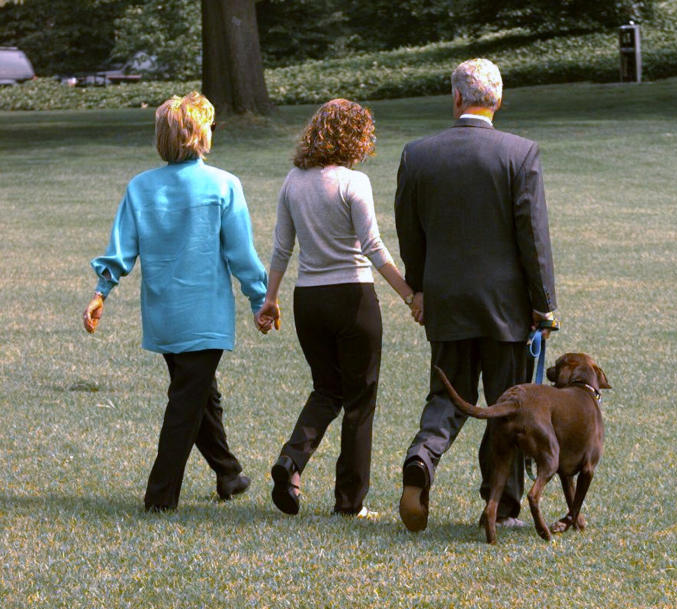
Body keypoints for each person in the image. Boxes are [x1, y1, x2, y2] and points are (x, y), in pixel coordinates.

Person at [394, 58, 558, 532]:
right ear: (499, 101)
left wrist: (420, 286)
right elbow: (533, 236)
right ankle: (502, 504)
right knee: (507, 405)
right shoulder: (520, 153)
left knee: (448, 392)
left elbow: (410, 231)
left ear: (457, 98)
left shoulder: (417, 154)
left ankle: (423, 456)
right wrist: (543, 302)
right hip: (507, 307)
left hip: (445, 298)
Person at [82, 91, 267, 512]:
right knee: (187, 400)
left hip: (163, 315)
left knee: (201, 393)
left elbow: (120, 250)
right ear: (200, 135)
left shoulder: (140, 187)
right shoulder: (224, 185)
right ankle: (160, 497)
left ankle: (228, 473)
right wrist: (261, 299)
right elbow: (241, 255)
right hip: (205, 315)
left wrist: (100, 293)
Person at [256, 99, 420, 518]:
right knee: (360, 400)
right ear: (356, 137)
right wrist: (408, 294)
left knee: (326, 389)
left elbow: (280, 248)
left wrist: (269, 299)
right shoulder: (353, 182)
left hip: (307, 300)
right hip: (352, 299)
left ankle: (291, 460)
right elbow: (373, 247)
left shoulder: (293, 181)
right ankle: (350, 503)